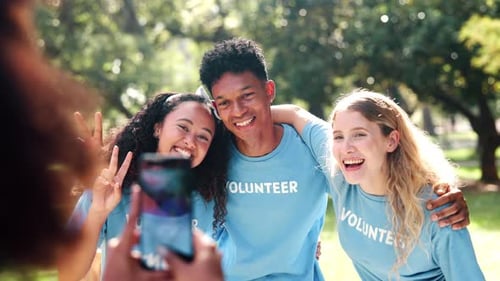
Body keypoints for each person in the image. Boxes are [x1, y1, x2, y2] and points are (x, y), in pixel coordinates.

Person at [198, 37, 471, 280]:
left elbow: (381, 169)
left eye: (247, 96)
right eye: (224, 103)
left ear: (269, 91)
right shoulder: (211, 151)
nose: (239, 110)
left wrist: (443, 192)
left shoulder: (316, 150)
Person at [273, 89, 484, 280]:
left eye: (359, 135)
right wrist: (240, 119)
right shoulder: (339, 176)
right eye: (338, 136)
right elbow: (294, 114)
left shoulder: (439, 211)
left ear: (391, 141)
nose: (346, 147)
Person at [59, 92, 230, 281]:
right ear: (158, 128)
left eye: (203, 137)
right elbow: (68, 274)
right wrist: (97, 212)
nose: (190, 141)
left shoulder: (212, 200)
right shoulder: (110, 188)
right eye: (183, 127)